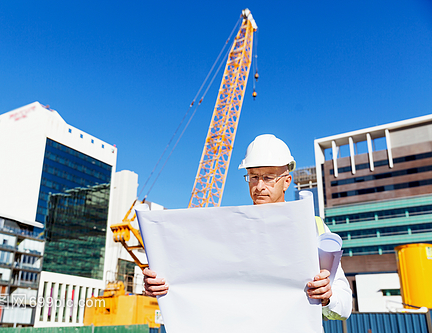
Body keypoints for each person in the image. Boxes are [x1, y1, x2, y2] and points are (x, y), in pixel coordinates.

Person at [143, 134, 352, 320]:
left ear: (286, 181)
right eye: (253, 177)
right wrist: (163, 285)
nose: (259, 186)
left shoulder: (314, 227)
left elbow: (344, 306)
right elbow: (201, 284)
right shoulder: (228, 228)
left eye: (268, 177)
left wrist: (327, 297)